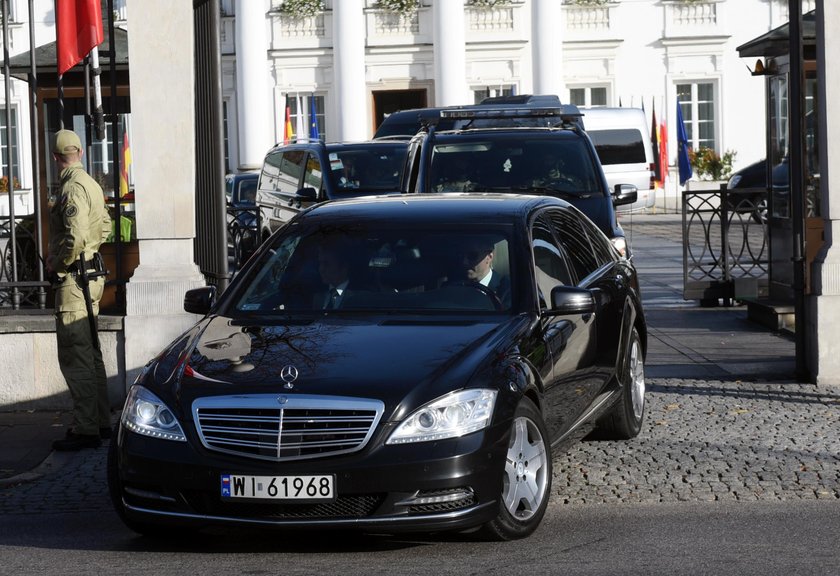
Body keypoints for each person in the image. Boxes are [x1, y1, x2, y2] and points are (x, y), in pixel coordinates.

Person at [46, 129, 113, 451]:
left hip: (74, 279)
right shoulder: (92, 183)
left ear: (56, 157)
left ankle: (86, 427)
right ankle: (101, 421)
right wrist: (91, 249)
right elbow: (107, 225)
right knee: (92, 352)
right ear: (81, 153)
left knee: (77, 355)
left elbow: (73, 234)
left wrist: (58, 264)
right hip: (91, 275)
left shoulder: (71, 187)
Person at [448, 236, 510, 306]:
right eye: (461, 255)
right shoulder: (453, 286)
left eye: (472, 256)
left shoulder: (507, 289)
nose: (464, 262)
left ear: (489, 257)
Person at [313, 236, 370, 309]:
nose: (321, 269)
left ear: (344, 267)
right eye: (320, 263)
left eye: (327, 264)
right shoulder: (318, 296)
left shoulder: (362, 296)